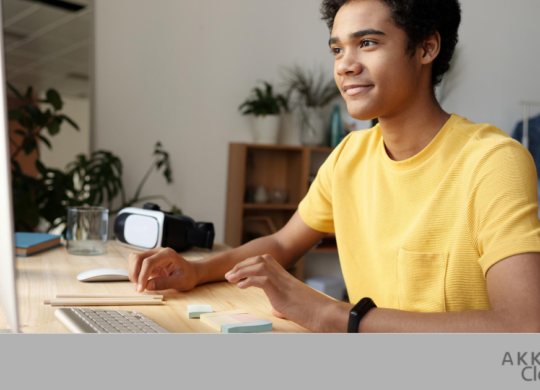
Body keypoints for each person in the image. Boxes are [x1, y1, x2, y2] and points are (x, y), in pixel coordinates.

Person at [128, 0, 540, 332]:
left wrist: (332, 316)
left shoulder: (492, 161)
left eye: (368, 43)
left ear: (427, 48)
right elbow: (282, 244)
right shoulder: (348, 156)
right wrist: (196, 271)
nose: (344, 65)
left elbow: (525, 327)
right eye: (338, 48)